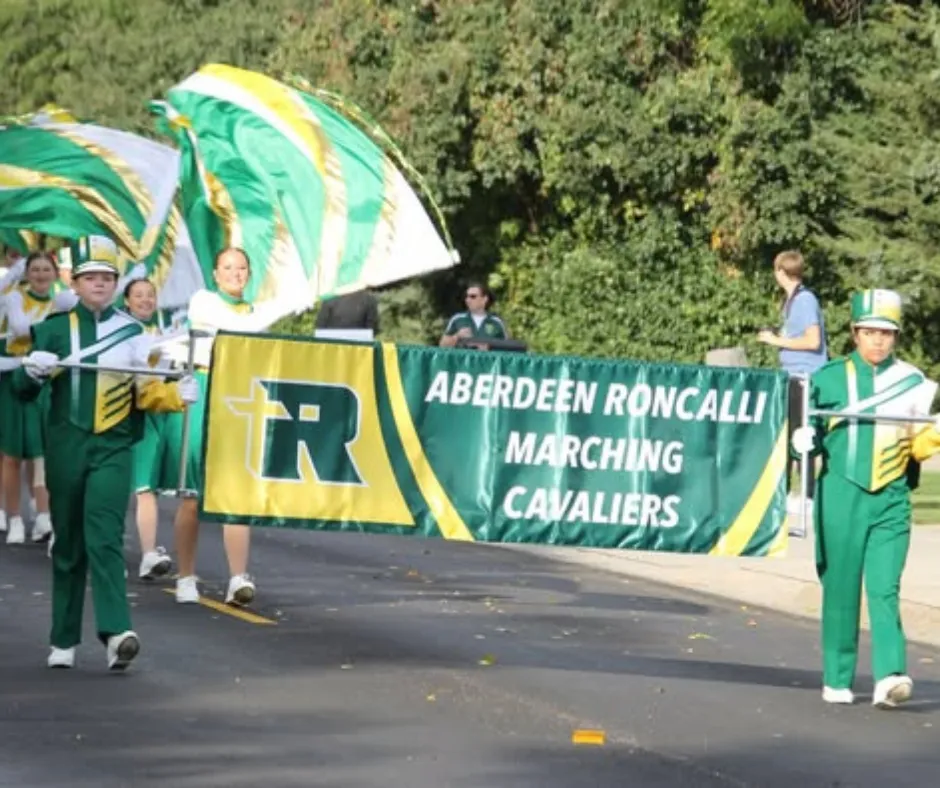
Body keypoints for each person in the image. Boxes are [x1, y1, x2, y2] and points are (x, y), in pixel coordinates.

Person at [12, 235, 199, 670]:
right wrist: (33, 372)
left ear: (116, 284)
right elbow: (21, 392)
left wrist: (176, 394)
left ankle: (117, 632)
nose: (99, 283)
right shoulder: (52, 331)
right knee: (69, 544)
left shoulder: (134, 334)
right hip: (64, 447)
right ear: (74, 283)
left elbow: (148, 391)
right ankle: (63, 638)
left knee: (105, 538)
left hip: (113, 446)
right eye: (90, 277)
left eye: (107, 277)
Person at [791, 289, 940, 708]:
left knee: (885, 587)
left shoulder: (913, 382)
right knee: (840, 587)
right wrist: (801, 442)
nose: (878, 341)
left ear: (896, 337)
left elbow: (918, 445)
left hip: (891, 496)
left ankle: (890, 676)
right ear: (854, 332)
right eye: (870, 331)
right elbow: (803, 437)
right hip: (841, 491)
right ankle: (837, 677)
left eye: (886, 333)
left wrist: (936, 433)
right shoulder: (828, 378)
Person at [163, 247, 294, 607]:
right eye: (228, 267)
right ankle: (186, 576)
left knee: (235, 491)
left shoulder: (255, 313)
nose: (235, 274)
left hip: (240, 398)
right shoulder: (203, 302)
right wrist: (283, 303)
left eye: (242, 268)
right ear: (216, 274)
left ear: (248, 275)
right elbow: (233, 332)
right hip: (205, 393)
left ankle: (238, 577)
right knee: (193, 494)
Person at [0, 252, 75, 544]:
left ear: (55, 274)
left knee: (41, 450)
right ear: (27, 273)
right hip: (12, 380)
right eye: (35, 269)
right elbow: (20, 329)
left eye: (46, 269)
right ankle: (15, 517)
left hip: (45, 380)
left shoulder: (62, 301)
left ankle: (43, 515)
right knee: (11, 454)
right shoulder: (15, 298)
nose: (41, 274)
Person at [757, 250, 828, 521]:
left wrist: (776, 341)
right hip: (791, 376)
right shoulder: (791, 301)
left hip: (804, 377)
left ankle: (807, 498)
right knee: (788, 437)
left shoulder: (805, 300)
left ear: (780, 271)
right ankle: (788, 494)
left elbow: (813, 341)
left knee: (802, 437)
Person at [122, 275, 184, 580]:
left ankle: (148, 553)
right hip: (127, 412)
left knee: (147, 487)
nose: (146, 300)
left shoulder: (163, 331)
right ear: (126, 301)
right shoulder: (121, 331)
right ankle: (114, 554)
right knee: (126, 486)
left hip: (158, 410)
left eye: (150, 295)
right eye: (139, 295)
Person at [439, 282, 508, 348]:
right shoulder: (457, 319)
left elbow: (507, 348)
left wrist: (490, 347)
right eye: (466, 296)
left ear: (485, 299)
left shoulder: (496, 322)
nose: (468, 300)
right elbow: (442, 345)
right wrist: (457, 336)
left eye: (473, 296)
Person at [315, 289, 379, 333]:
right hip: (359, 349)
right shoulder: (369, 299)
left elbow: (320, 326)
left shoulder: (329, 297)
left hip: (331, 347)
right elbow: (372, 329)